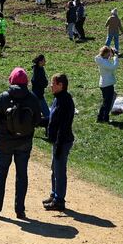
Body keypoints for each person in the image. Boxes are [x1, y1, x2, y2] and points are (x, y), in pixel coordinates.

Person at [0, 67, 42, 218]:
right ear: (26, 82)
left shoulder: (4, 97)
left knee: (1, 174)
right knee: (21, 175)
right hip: (24, 142)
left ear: (11, 80)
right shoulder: (32, 98)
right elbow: (37, 120)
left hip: (4, 141)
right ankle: (20, 210)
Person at [44, 73, 75, 211]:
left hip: (63, 141)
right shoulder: (58, 98)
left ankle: (59, 200)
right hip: (57, 141)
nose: (51, 85)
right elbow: (52, 119)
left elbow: (63, 126)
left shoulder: (65, 101)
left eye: (53, 83)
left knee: (60, 171)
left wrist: (59, 145)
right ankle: (54, 194)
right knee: (54, 169)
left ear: (61, 85)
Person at [95, 46, 118, 123]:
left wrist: (112, 52)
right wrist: (116, 57)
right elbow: (113, 67)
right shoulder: (104, 62)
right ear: (105, 53)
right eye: (108, 54)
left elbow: (107, 61)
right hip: (107, 85)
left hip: (104, 84)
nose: (109, 55)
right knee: (107, 103)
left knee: (105, 102)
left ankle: (100, 118)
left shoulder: (102, 60)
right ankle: (105, 119)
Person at [31, 54, 50, 124]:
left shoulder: (40, 69)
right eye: (44, 60)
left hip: (37, 94)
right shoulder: (37, 71)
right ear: (40, 62)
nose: (45, 61)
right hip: (38, 96)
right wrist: (45, 83)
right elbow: (36, 81)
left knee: (36, 112)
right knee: (48, 115)